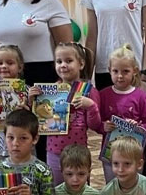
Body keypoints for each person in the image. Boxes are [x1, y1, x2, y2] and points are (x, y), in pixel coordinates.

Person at [0, 0, 73, 161]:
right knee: (13, 142)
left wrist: (64, 83)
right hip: (8, 81)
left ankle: (46, 182)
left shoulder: (49, 1)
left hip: (44, 79)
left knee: (45, 144)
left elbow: (67, 47)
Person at [31, 42, 100, 186]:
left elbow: (95, 126)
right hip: (54, 152)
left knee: (80, 190)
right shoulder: (49, 91)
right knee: (56, 189)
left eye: (69, 61)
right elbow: (39, 123)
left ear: (81, 64)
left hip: (79, 153)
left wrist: (91, 106)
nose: (63, 65)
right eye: (59, 61)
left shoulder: (88, 90)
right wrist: (32, 100)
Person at [98, 44, 146, 183]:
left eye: (125, 71)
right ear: (109, 71)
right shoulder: (103, 95)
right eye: (115, 71)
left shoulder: (141, 96)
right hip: (110, 154)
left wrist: (139, 127)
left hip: (133, 155)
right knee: (112, 187)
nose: (120, 76)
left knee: (133, 187)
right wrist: (104, 126)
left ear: (135, 71)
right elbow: (96, 122)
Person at [0, 45, 27, 161]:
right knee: (0, 171)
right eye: (0, 63)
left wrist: (27, 111)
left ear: (20, 67)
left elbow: (36, 120)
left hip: (23, 148)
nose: (4, 66)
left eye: (10, 63)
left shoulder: (27, 91)